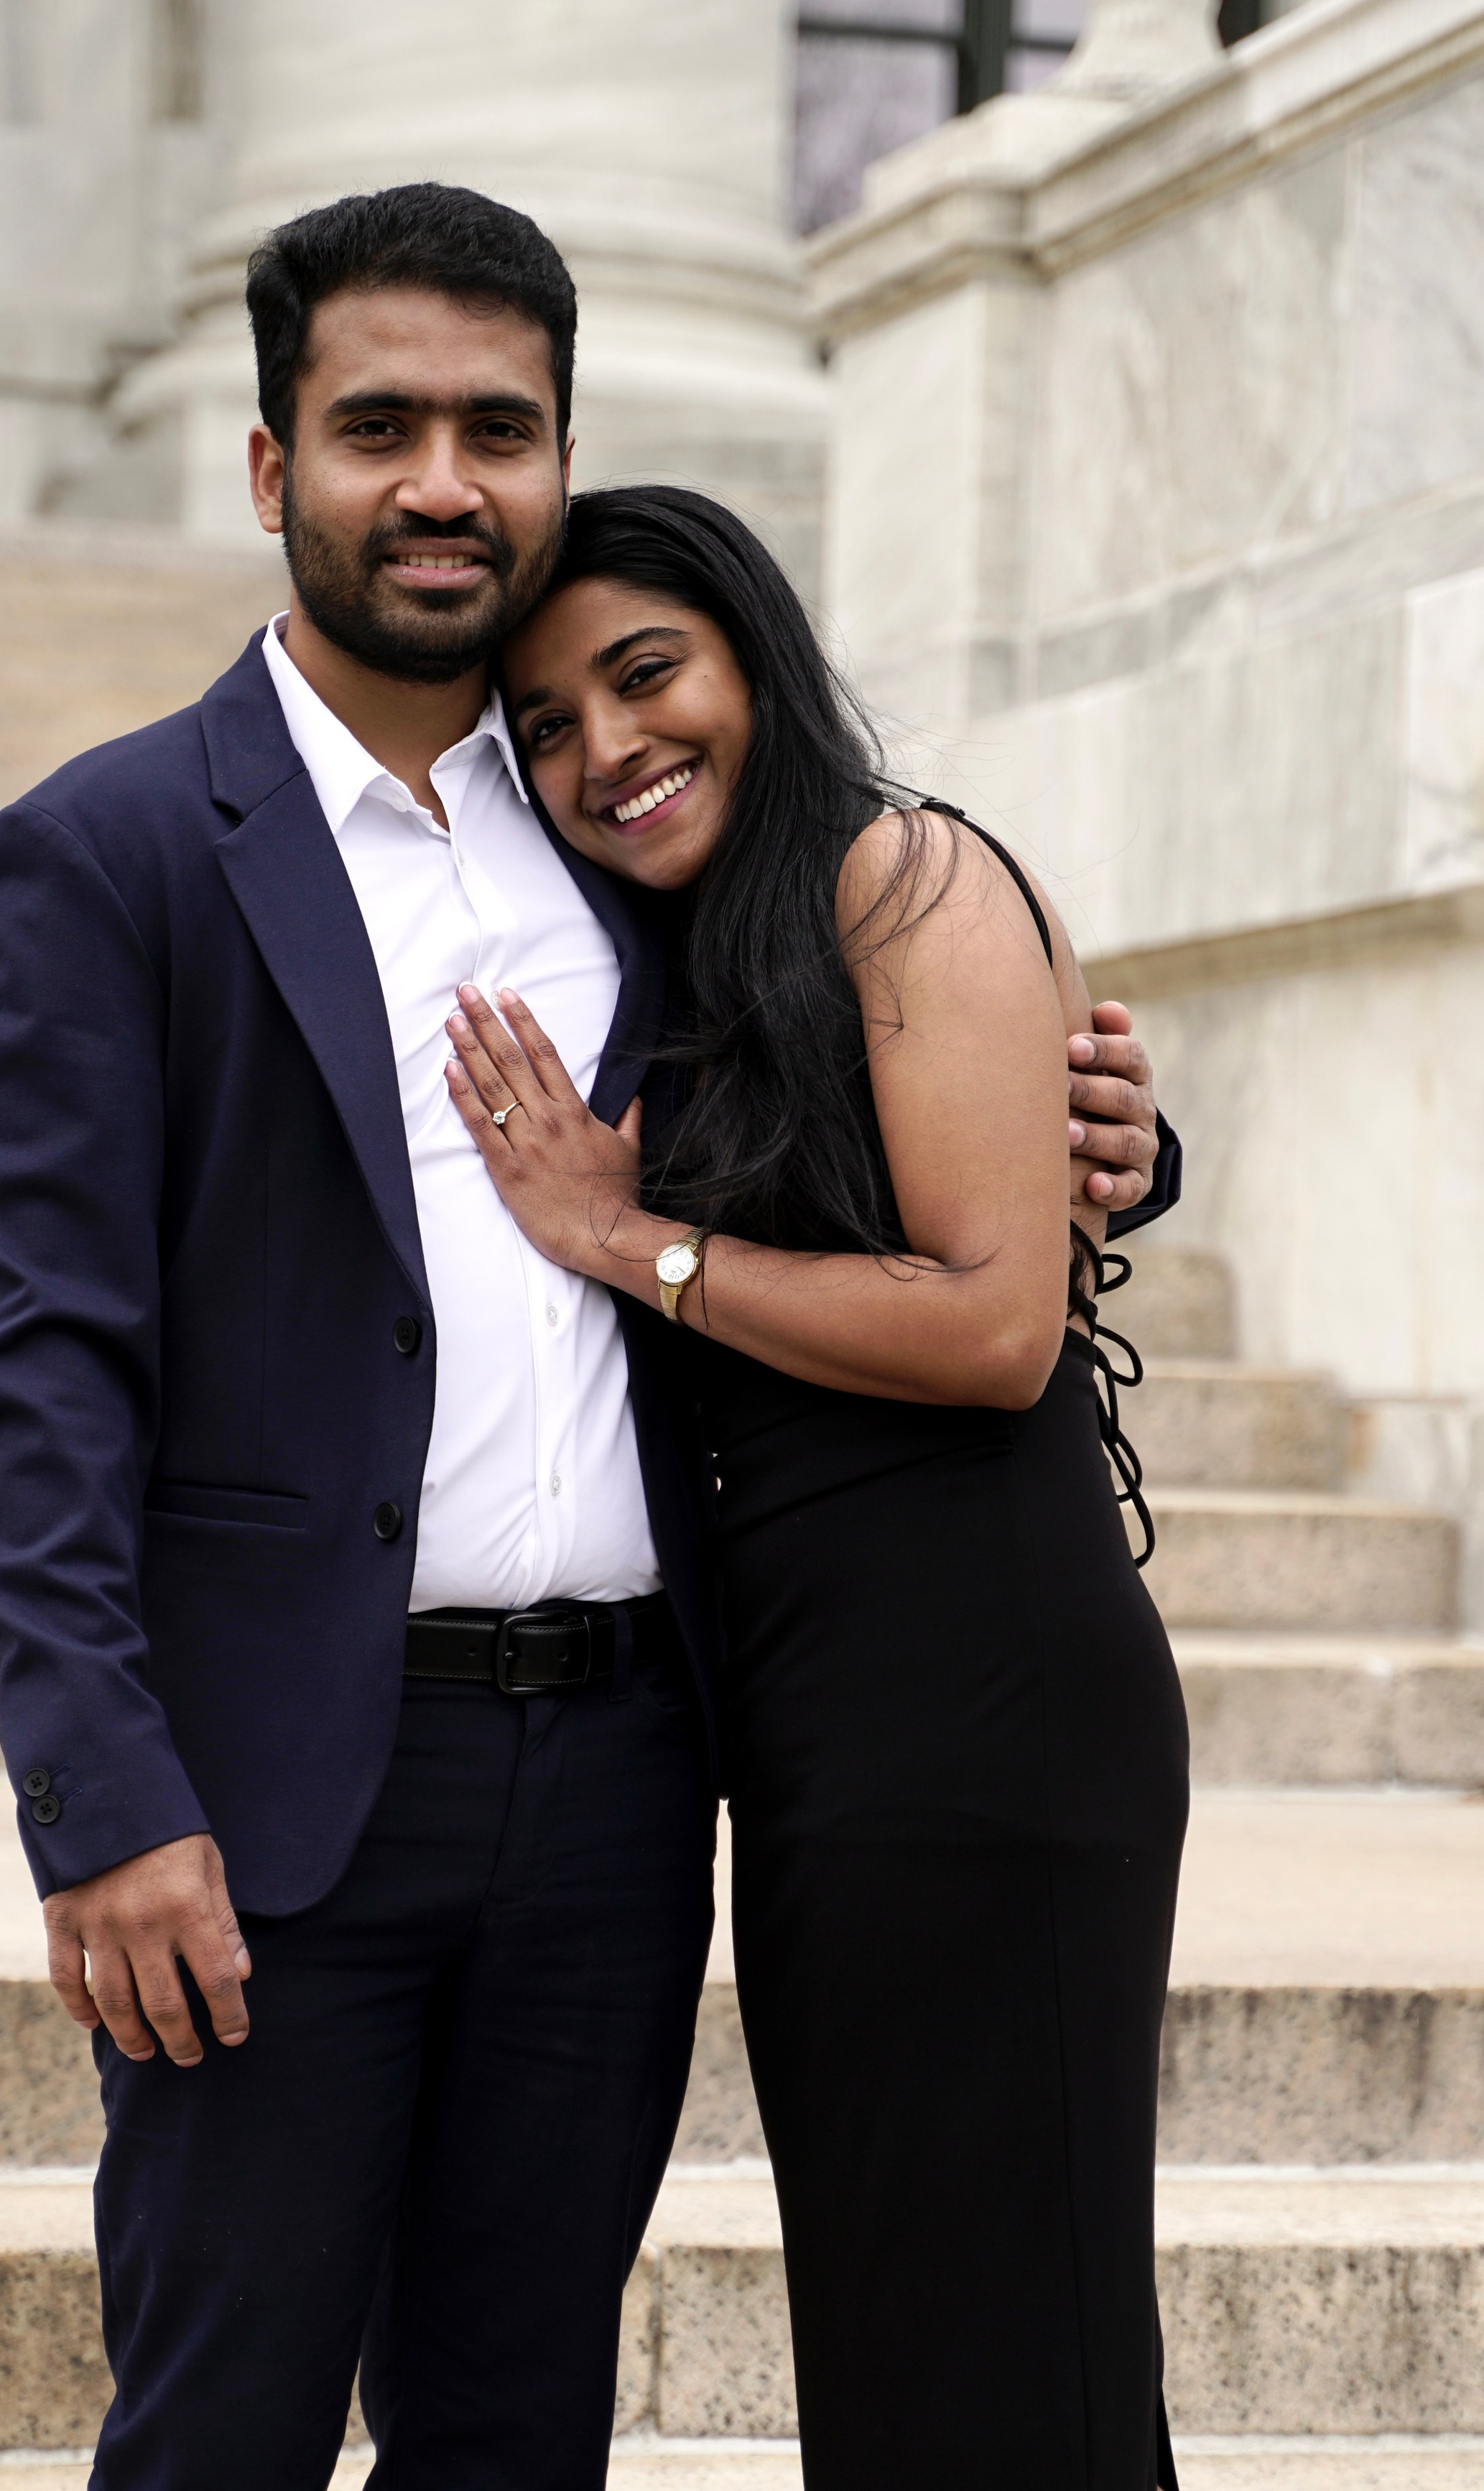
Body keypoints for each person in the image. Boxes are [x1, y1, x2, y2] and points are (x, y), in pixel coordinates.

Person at [0, 184, 1176, 2491]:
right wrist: (105, 1808)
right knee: (218, 2429)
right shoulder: (105, 856)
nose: (440, 481)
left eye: (497, 429)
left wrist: (1107, 1118)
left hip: (625, 1779)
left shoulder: (629, 835)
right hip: (287, 1797)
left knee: (517, 2436)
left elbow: (868, 1085)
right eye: (377, 423)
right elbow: (39, 1384)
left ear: (558, 453)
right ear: (268, 464)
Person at [445, 482, 1190, 2490]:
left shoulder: (901, 873)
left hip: (986, 1706)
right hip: (821, 1727)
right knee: (920, 2324)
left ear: (756, 659)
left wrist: (637, 1244)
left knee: (992, 2335)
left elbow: (990, 1329)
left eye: (646, 674)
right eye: (544, 722)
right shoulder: (693, 951)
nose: (606, 748)